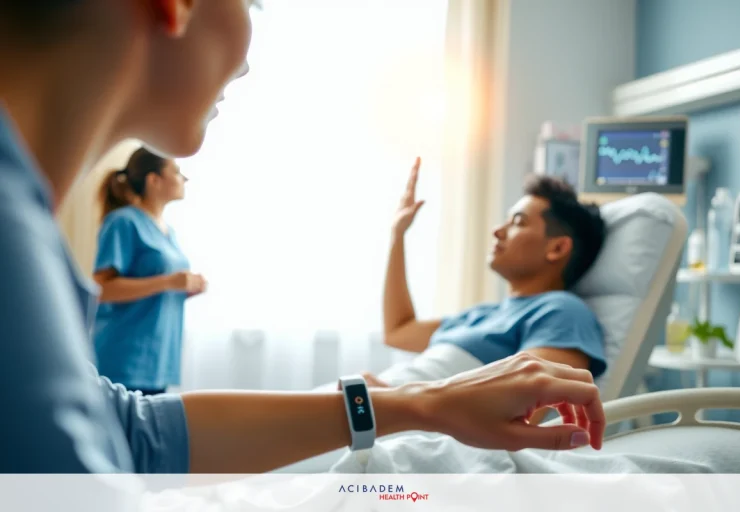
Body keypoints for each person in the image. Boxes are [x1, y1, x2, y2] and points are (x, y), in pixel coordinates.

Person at [0, 0, 604, 480]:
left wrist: (422, 405)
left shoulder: (27, 235)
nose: (245, 64)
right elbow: (400, 330)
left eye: (520, 221)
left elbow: (129, 435)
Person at [362, 164, 607, 424]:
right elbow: (398, 331)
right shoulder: (482, 314)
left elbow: (518, 417)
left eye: (518, 222)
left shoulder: (562, 311)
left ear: (557, 248)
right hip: (379, 407)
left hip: (398, 422)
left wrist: (395, 401)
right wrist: (397, 235)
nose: (497, 231)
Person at [93, 147, 206, 395]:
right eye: (176, 172)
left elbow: (156, 286)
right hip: (125, 359)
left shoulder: (169, 232)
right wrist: (167, 282)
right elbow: (101, 288)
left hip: (158, 361)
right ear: (153, 180)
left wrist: (183, 289)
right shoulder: (124, 221)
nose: (183, 179)